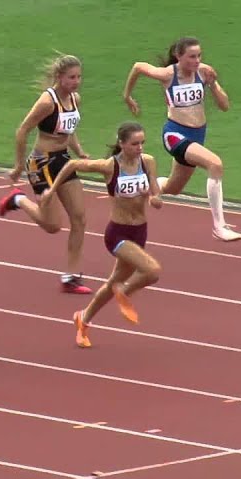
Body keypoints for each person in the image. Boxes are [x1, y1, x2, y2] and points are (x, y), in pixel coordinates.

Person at [37, 122, 163, 348]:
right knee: (152, 271)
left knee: (113, 280)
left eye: (142, 143)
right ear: (122, 143)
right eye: (135, 143)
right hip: (118, 233)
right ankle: (123, 292)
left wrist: (152, 197)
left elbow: (157, 199)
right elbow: (72, 164)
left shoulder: (148, 162)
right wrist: (52, 190)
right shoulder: (109, 166)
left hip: (140, 231)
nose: (140, 147)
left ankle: (82, 319)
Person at [122, 36, 241, 242]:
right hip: (175, 134)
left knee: (173, 188)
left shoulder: (204, 72)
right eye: (191, 57)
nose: (196, 61)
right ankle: (219, 226)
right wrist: (127, 96)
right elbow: (138, 66)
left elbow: (224, 106)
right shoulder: (168, 74)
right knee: (215, 165)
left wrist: (213, 84)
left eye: (199, 56)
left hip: (197, 135)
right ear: (179, 56)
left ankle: (142, 185)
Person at [0, 53, 93, 294]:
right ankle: (18, 200)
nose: (76, 81)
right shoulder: (47, 102)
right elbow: (22, 131)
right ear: (59, 77)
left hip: (63, 161)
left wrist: (79, 151)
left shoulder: (75, 99)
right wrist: (19, 166)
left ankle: (71, 277)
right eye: (71, 77)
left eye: (79, 77)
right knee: (52, 226)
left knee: (80, 218)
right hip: (41, 163)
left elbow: (69, 130)